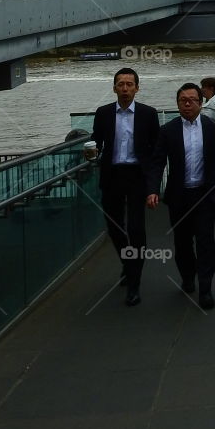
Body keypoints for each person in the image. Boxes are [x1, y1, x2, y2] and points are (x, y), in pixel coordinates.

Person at [146, 82, 215, 309]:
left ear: (201, 103)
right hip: (179, 197)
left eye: (192, 100)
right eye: (183, 100)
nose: (188, 103)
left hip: (205, 195)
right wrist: (152, 190)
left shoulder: (212, 128)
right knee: (182, 243)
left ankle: (206, 287)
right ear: (178, 104)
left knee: (205, 241)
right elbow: (157, 162)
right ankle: (188, 276)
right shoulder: (168, 130)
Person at [90, 68, 162, 306]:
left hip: (137, 177)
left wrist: (153, 186)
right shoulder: (102, 113)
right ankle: (128, 264)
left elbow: (155, 153)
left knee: (136, 228)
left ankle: (134, 284)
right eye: (120, 84)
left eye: (129, 84)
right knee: (114, 228)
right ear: (114, 88)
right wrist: (91, 152)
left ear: (137, 88)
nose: (125, 88)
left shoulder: (148, 114)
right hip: (112, 175)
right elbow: (96, 141)